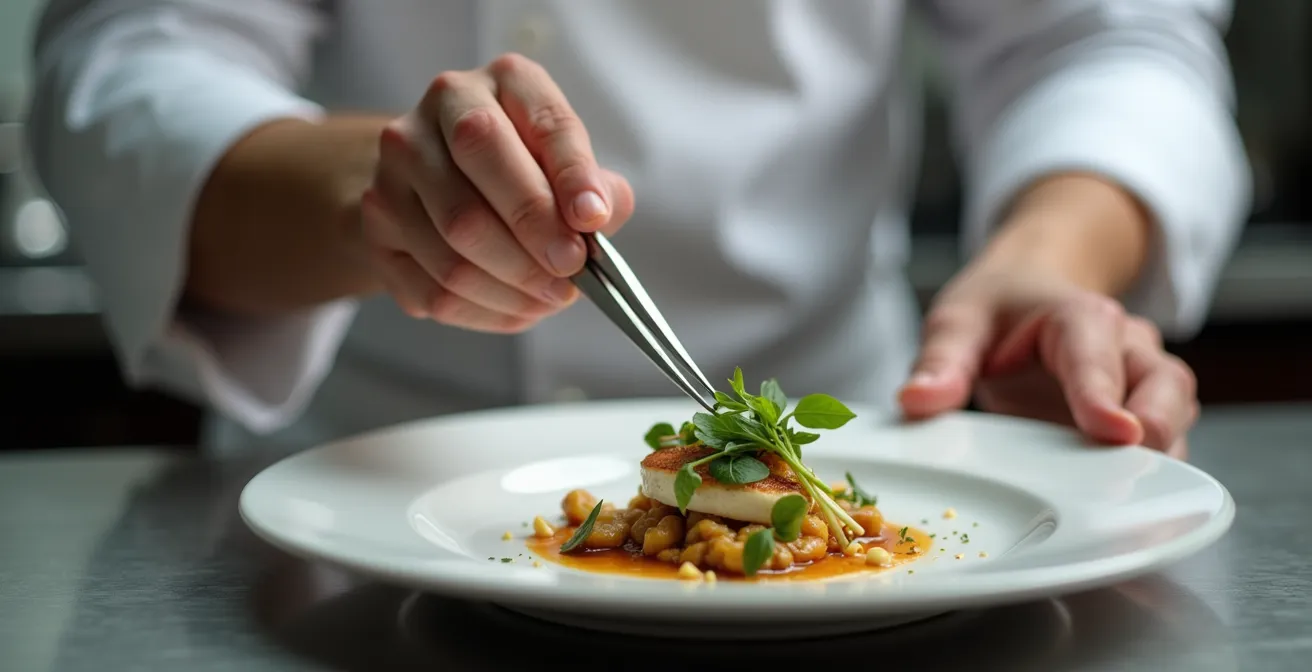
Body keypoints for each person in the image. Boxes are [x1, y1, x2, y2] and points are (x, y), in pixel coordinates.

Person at [26, 0, 1249, 458]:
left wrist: (1045, 264)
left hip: (859, 452)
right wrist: (376, 193)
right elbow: (136, 61)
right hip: (353, 479)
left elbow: (1097, 36)